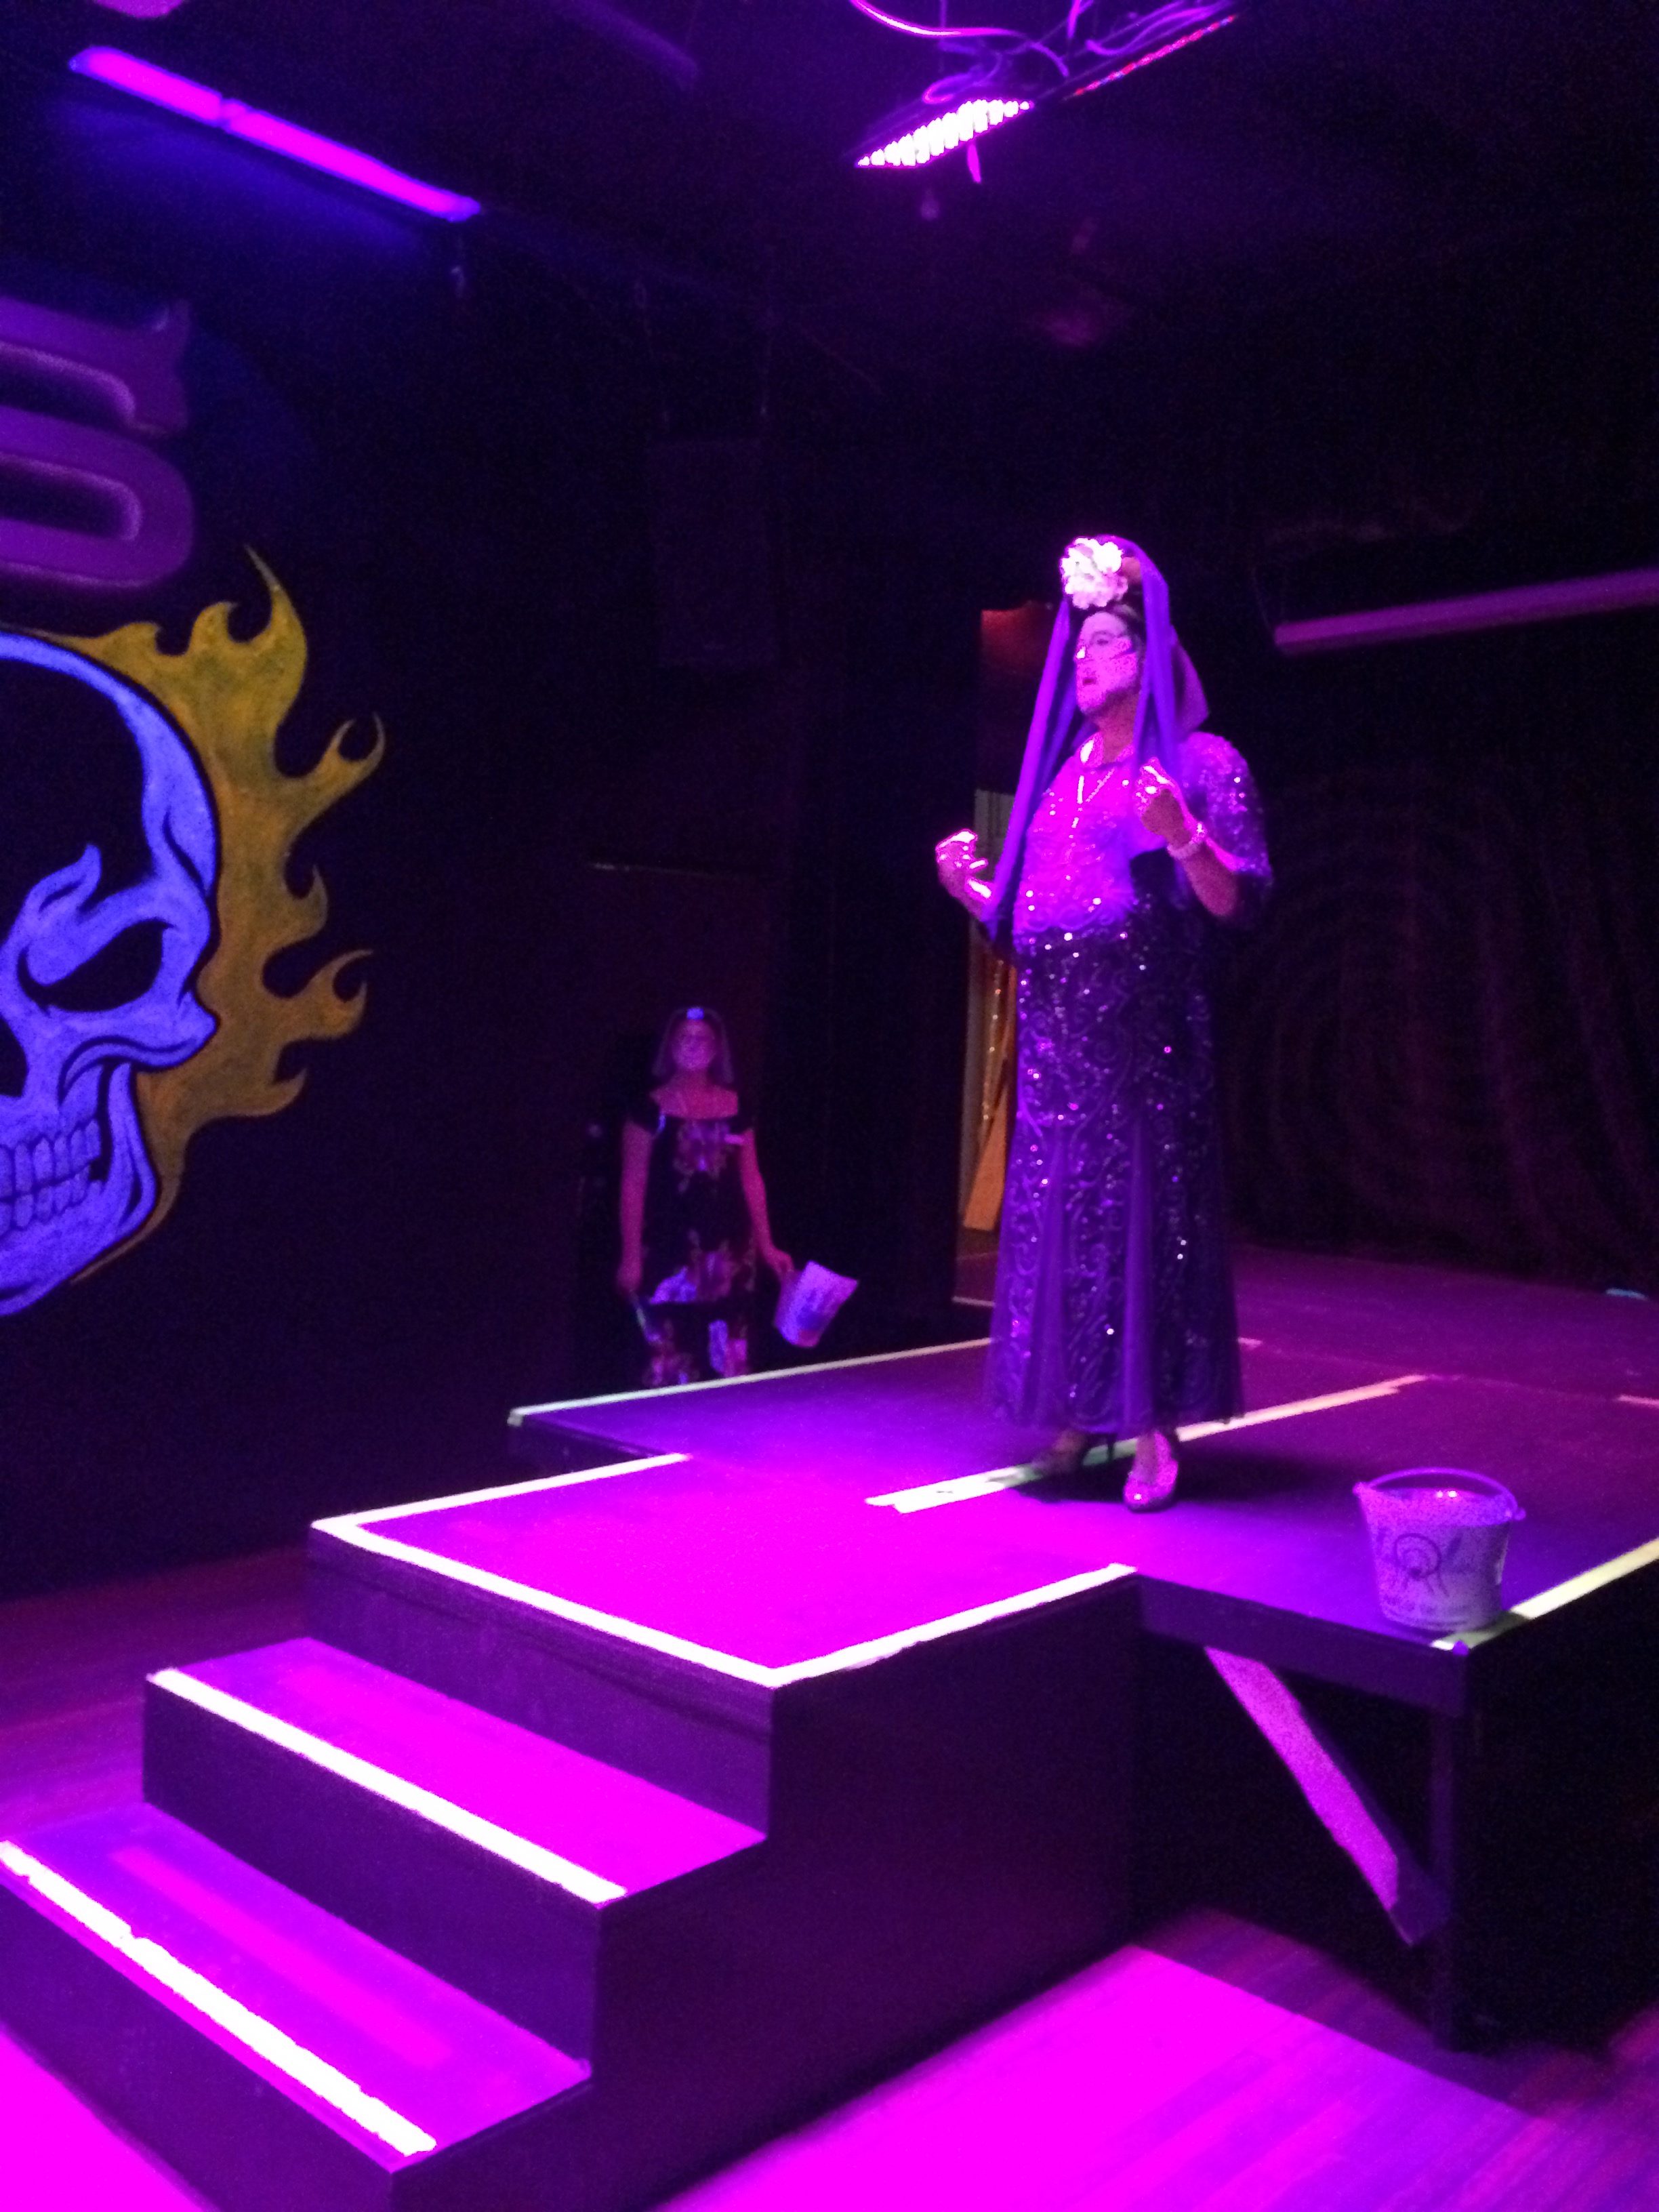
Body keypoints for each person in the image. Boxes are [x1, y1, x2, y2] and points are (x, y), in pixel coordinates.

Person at [935, 536, 1270, 1509]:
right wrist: (973, 894)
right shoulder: (1062, 779)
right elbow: (1032, 926)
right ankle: (1081, 1411)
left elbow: (1238, 904)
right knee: (1064, 1234)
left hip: (1143, 1052)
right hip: (1058, 1057)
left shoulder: (1200, 763)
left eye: (1105, 644)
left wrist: (1186, 837)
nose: (1083, 659)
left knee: (1141, 1232)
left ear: (1149, 657)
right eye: (1078, 647)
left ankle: (1152, 1427)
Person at [616, 1005, 794, 1385]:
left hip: (730, 1252)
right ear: (671, 1046)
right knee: (668, 1354)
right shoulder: (648, 1108)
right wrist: (630, 1255)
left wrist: (767, 1245)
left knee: (725, 1353)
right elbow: (633, 1182)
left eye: (702, 1039)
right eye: (685, 1037)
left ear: (716, 1049)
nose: (693, 1045)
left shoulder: (736, 1106)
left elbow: (751, 1179)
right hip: (668, 1249)